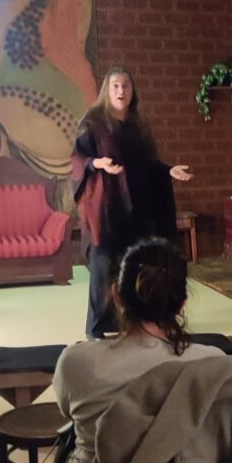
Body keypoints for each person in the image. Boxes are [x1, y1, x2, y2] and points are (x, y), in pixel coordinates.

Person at [53, 237, 226, 463]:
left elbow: (66, 411)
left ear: (117, 296)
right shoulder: (214, 362)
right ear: (182, 303)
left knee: (68, 443)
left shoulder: (76, 361)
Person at [72, 67, 192, 338]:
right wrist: (97, 163)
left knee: (135, 265)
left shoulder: (138, 125)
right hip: (106, 209)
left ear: (132, 90)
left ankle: (132, 321)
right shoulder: (93, 123)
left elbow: (147, 164)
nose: (121, 91)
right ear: (107, 90)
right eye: (115, 85)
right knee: (104, 266)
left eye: (126, 85)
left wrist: (168, 170)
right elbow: (77, 159)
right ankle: (96, 328)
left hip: (137, 209)